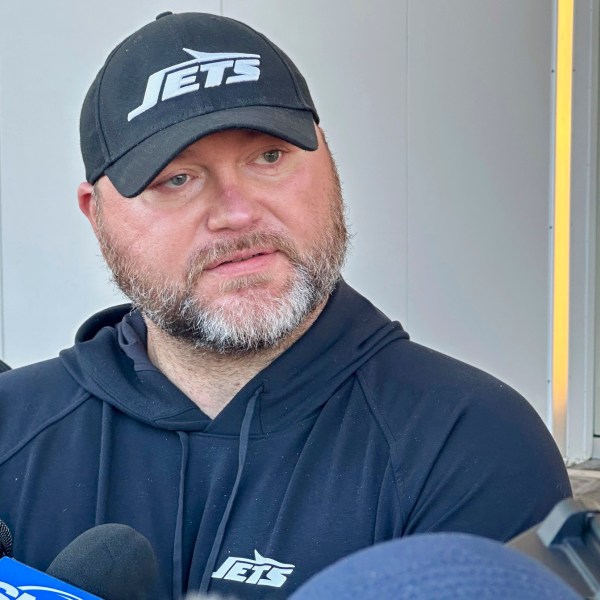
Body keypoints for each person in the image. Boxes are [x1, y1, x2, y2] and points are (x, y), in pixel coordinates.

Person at [0, 11, 571, 600]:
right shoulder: (11, 427)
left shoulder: (470, 442)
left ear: (330, 163)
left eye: (268, 157)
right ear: (96, 216)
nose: (237, 213)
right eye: (176, 179)